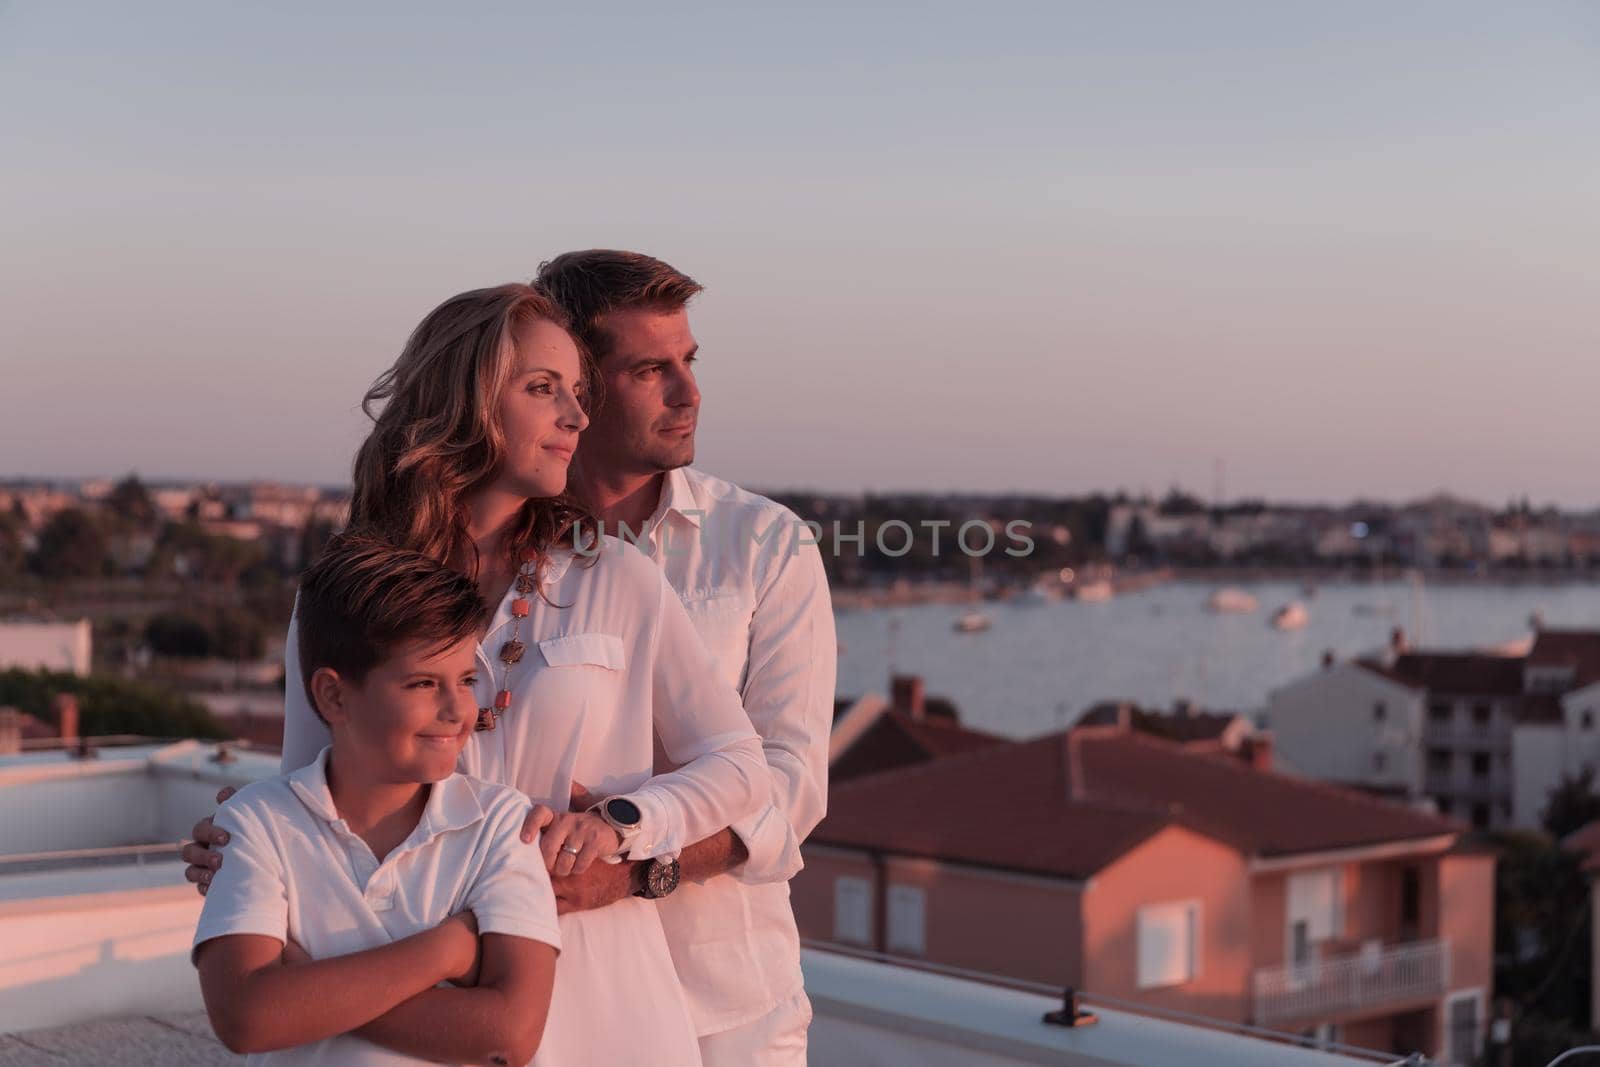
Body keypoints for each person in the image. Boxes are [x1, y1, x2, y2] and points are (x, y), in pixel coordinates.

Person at [185, 283, 769, 1066]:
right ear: (462, 402)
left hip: (593, 985)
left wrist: (621, 825)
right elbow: (310, 778)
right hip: (405, 976)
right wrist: (248, 835)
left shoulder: (616, 578)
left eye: (578, 392)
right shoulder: (347, 593)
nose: (576, 415)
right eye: (541, 389)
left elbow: (741, 765)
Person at [534, 250, 835, 1066]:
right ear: (575, 389)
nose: (689, 392)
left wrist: (631, 868)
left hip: (730, 1012)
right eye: (650, 370)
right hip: (551, 1001)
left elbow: (791, 787)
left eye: (689, 362)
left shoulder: (766, 544)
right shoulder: (498, 548)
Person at [193, 535, 561, 1066]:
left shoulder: (501, 825)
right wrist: (444, 952)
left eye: (466, 679)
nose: (458, 709)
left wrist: (303, 989)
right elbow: (245, 1019)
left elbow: (508, 1035)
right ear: (334, 695)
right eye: (422, 683)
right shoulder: (257, 822)